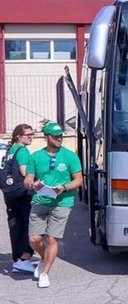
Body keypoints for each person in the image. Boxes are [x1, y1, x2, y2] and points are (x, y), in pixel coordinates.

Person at [24, 122, 83, 288]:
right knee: (34, 239)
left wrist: (64, 188)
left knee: (52, 239)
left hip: (62, 201)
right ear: (46, 137)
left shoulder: (70, 156)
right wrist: (32, 184)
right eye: (55, 136)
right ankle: (44, 258)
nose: (59, 138)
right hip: (40, 200)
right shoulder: (35, 156)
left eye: (60, 136)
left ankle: (45, 273)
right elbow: (28, 178)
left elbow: (78, 180)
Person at [3, 124, 37, 273]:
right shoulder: (22, 151)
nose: (31, 137)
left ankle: (17, 259)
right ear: (18, 136)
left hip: (10, 193)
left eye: (32, 134)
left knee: (15, 224)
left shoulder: (11, 150)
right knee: (28, 224)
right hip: (23, 193)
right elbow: (25, 172)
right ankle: (24, 258)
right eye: (27, 134)